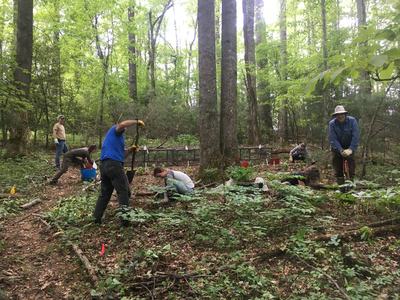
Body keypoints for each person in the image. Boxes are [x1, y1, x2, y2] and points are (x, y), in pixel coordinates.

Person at [93, 119, 145, 226]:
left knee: (105, 193)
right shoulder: (114, 130)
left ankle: (96, 218)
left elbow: (121, 156)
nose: (124, 128)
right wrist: (136, 121)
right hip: (113, 166)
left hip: (105, 166)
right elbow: (122, 124)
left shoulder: (117, 139)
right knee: (123, 191)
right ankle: (125, 221)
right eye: (124, 127)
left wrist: (131, 150)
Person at [328, 105, 360, 185]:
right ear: (335, 115)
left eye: (342, 114)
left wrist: (351, 149)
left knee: (351, 167)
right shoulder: (332, 124)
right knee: (338, 168)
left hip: (350, 147)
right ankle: (340, 185)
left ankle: (351, 184)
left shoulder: (352, 121)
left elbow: (355, 136)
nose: (340, 116)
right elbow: (333, 138)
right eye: (338, 114)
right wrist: (340, 150)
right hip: (337, 148)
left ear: (345, 114)